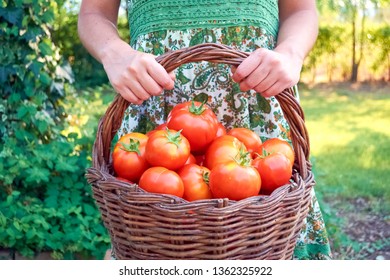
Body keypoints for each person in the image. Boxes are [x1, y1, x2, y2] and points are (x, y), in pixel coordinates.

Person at [78, 0, 332, 260]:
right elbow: (93, 12)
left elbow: (301, 10)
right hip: (154, 110)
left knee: (269, 245)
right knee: (153, 242)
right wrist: (114, 52)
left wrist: (290, 53)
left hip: (259, 106)